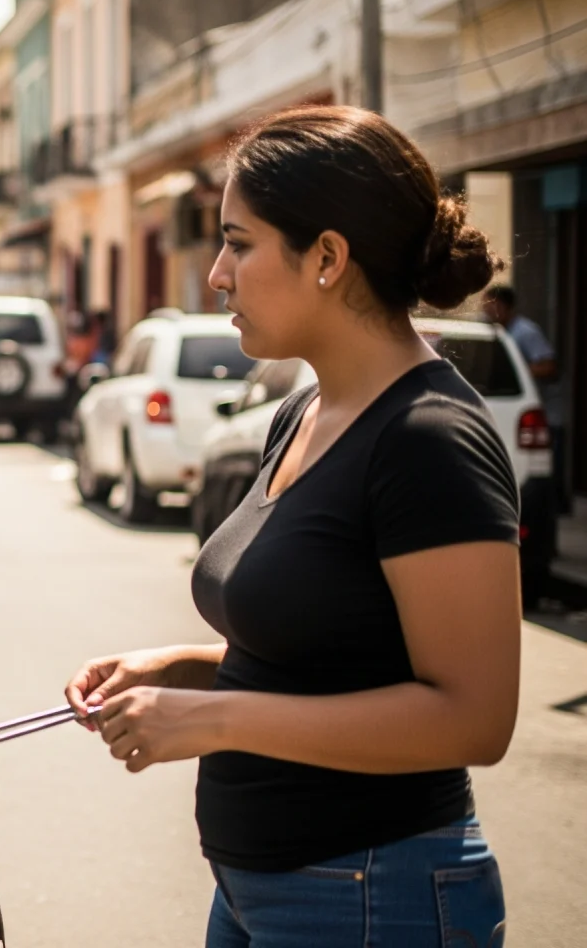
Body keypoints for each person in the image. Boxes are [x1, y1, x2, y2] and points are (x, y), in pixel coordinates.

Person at [66, 105, 517, 946]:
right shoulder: (303, 409)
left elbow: (473, 717)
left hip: (372, 891)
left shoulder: (428, 438)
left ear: (327, 258)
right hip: (257, 891)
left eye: (237, 243)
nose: (216, 276)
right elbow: (329, 656)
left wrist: (214, 719)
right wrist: (185, 669)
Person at [484, 283, 565, 514]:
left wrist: (515, 371)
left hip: (547, 414)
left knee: (545, 475)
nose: (485, 311)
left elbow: (549, 367)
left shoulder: (525, 332)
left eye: (489, 305)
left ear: (501, 306)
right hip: (536, 414)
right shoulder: (502, 332)